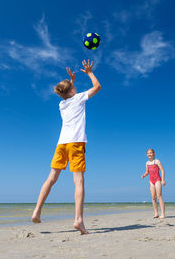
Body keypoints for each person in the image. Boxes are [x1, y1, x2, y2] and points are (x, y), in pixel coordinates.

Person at [31, 59, 101, 234]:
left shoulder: (62, 104)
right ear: (72, 90)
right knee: (78, 181)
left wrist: (72, 81)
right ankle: (78, 220)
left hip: (61, 143)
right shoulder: (77, 98)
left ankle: (36, 212)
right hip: (76, 143)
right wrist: (90, 72)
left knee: (51, 178)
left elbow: (67, 94)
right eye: (73, 87)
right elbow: (97, 87)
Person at [141, 148, 166, 218]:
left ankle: (163, 214)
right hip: (151, 181)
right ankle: (156, 213)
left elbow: (162, 170)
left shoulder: (157, 161)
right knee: (153, 197)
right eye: (148, 153)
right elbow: (147, 172)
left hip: (158, 179)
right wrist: (144, 174)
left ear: (154, 154)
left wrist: (163, 180)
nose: (149, 154)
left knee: (159, 196)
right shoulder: (147, 163)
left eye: (151, 153)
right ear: (147, 155)